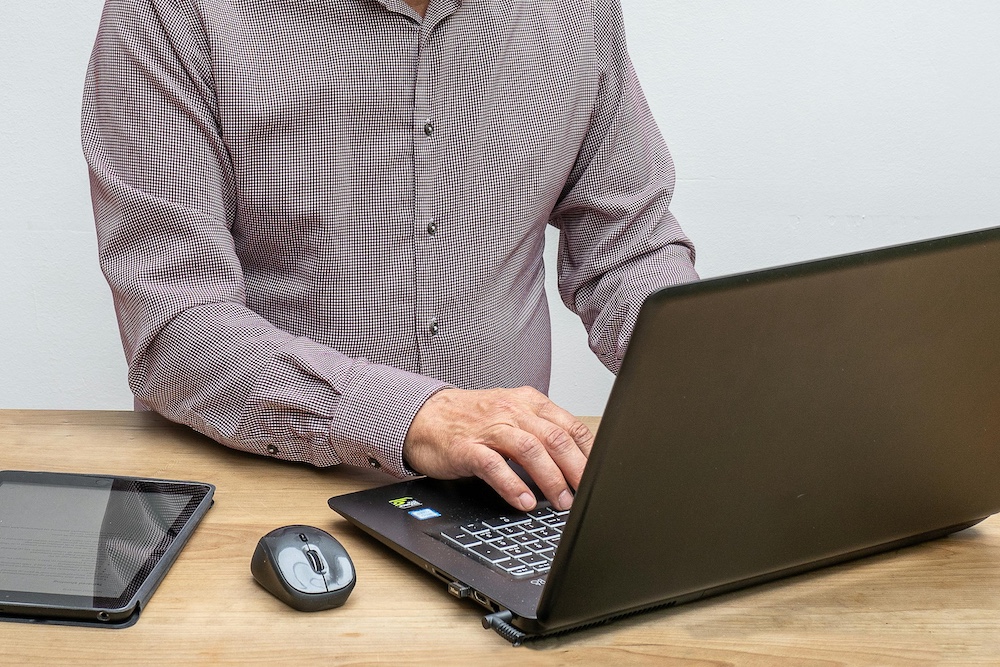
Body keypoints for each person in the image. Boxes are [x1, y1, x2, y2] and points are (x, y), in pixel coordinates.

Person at [82, 0, 698, 513]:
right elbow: (173, 325)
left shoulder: (574, 10)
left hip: (503, 499)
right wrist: (416, 417)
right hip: (252, 496)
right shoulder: (171, 10)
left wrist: (709, 377)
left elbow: (626, 244)